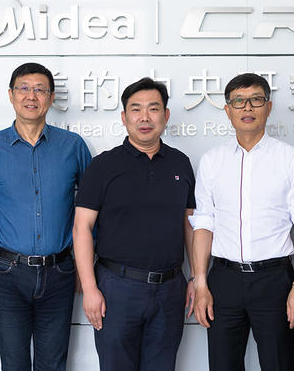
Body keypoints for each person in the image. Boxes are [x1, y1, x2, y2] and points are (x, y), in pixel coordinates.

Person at [0, 62, 92, 371]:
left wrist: (85, 266)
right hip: (6, 274)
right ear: (10, 95)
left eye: (40, 89)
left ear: (51, 98)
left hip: (60, 272)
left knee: (54, 363)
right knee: (13, 362)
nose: (31, 96)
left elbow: (92, 211)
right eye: (23, 88)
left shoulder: (73, 146)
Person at [191, 73, 294, 371]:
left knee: (278, 364)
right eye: (239, 101)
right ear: (228, 110)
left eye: (256, 100)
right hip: (224, 280)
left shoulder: (290, 158)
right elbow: (204, 224)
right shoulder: (212, 160)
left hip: (274, 280)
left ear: (268, 107)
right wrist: (201, 283)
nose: (247, 108)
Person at [73, 77, 196, 371]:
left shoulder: (180, 163)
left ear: (166, 115)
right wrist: (90, 288)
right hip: (117, 288)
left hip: (170, 289)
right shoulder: (103, 166)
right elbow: (81, 228)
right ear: (124, 117)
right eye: (136, 109)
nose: (145, 117)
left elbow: (190, 224)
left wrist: (196, 277)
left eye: (153, 109)